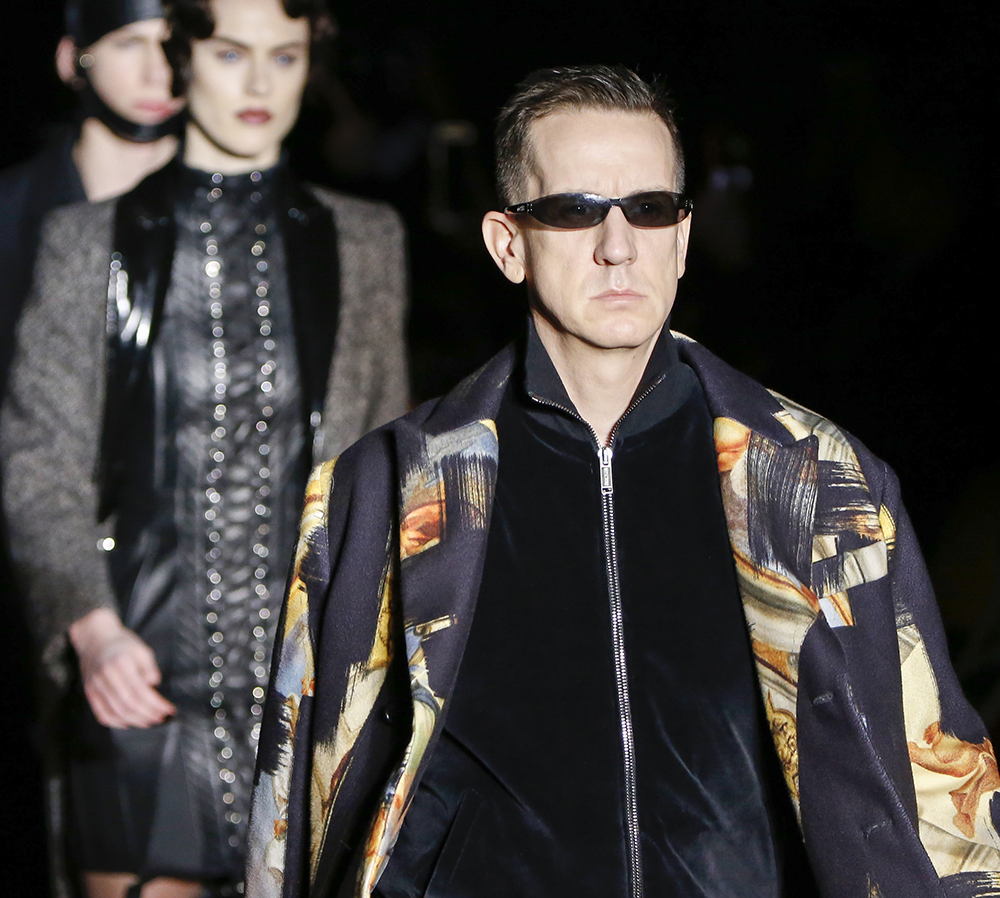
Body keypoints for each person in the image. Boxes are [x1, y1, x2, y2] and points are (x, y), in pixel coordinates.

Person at [247, 65, 1000, 898]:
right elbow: (295, 806)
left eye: (648, 209)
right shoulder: (385, 491)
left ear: (682, 237)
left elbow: (941, 781)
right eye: (575, 211)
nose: (618, 246)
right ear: (508, 244)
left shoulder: (819, 479)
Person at [1, 0, 408, 898]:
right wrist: (89, 625)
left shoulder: (365, 240)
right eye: (230, 52)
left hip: (310, 685)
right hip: (134, 675)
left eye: (285, 55)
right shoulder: (84, 241)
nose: (259, 82)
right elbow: (38, 459)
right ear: (184, 58)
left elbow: (385, 467)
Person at [0, 0, 183, 389]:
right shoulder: (10, 212)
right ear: (71, 59)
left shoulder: (246, 204)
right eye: (128, 43)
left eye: (174, 43)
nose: (158, 71)